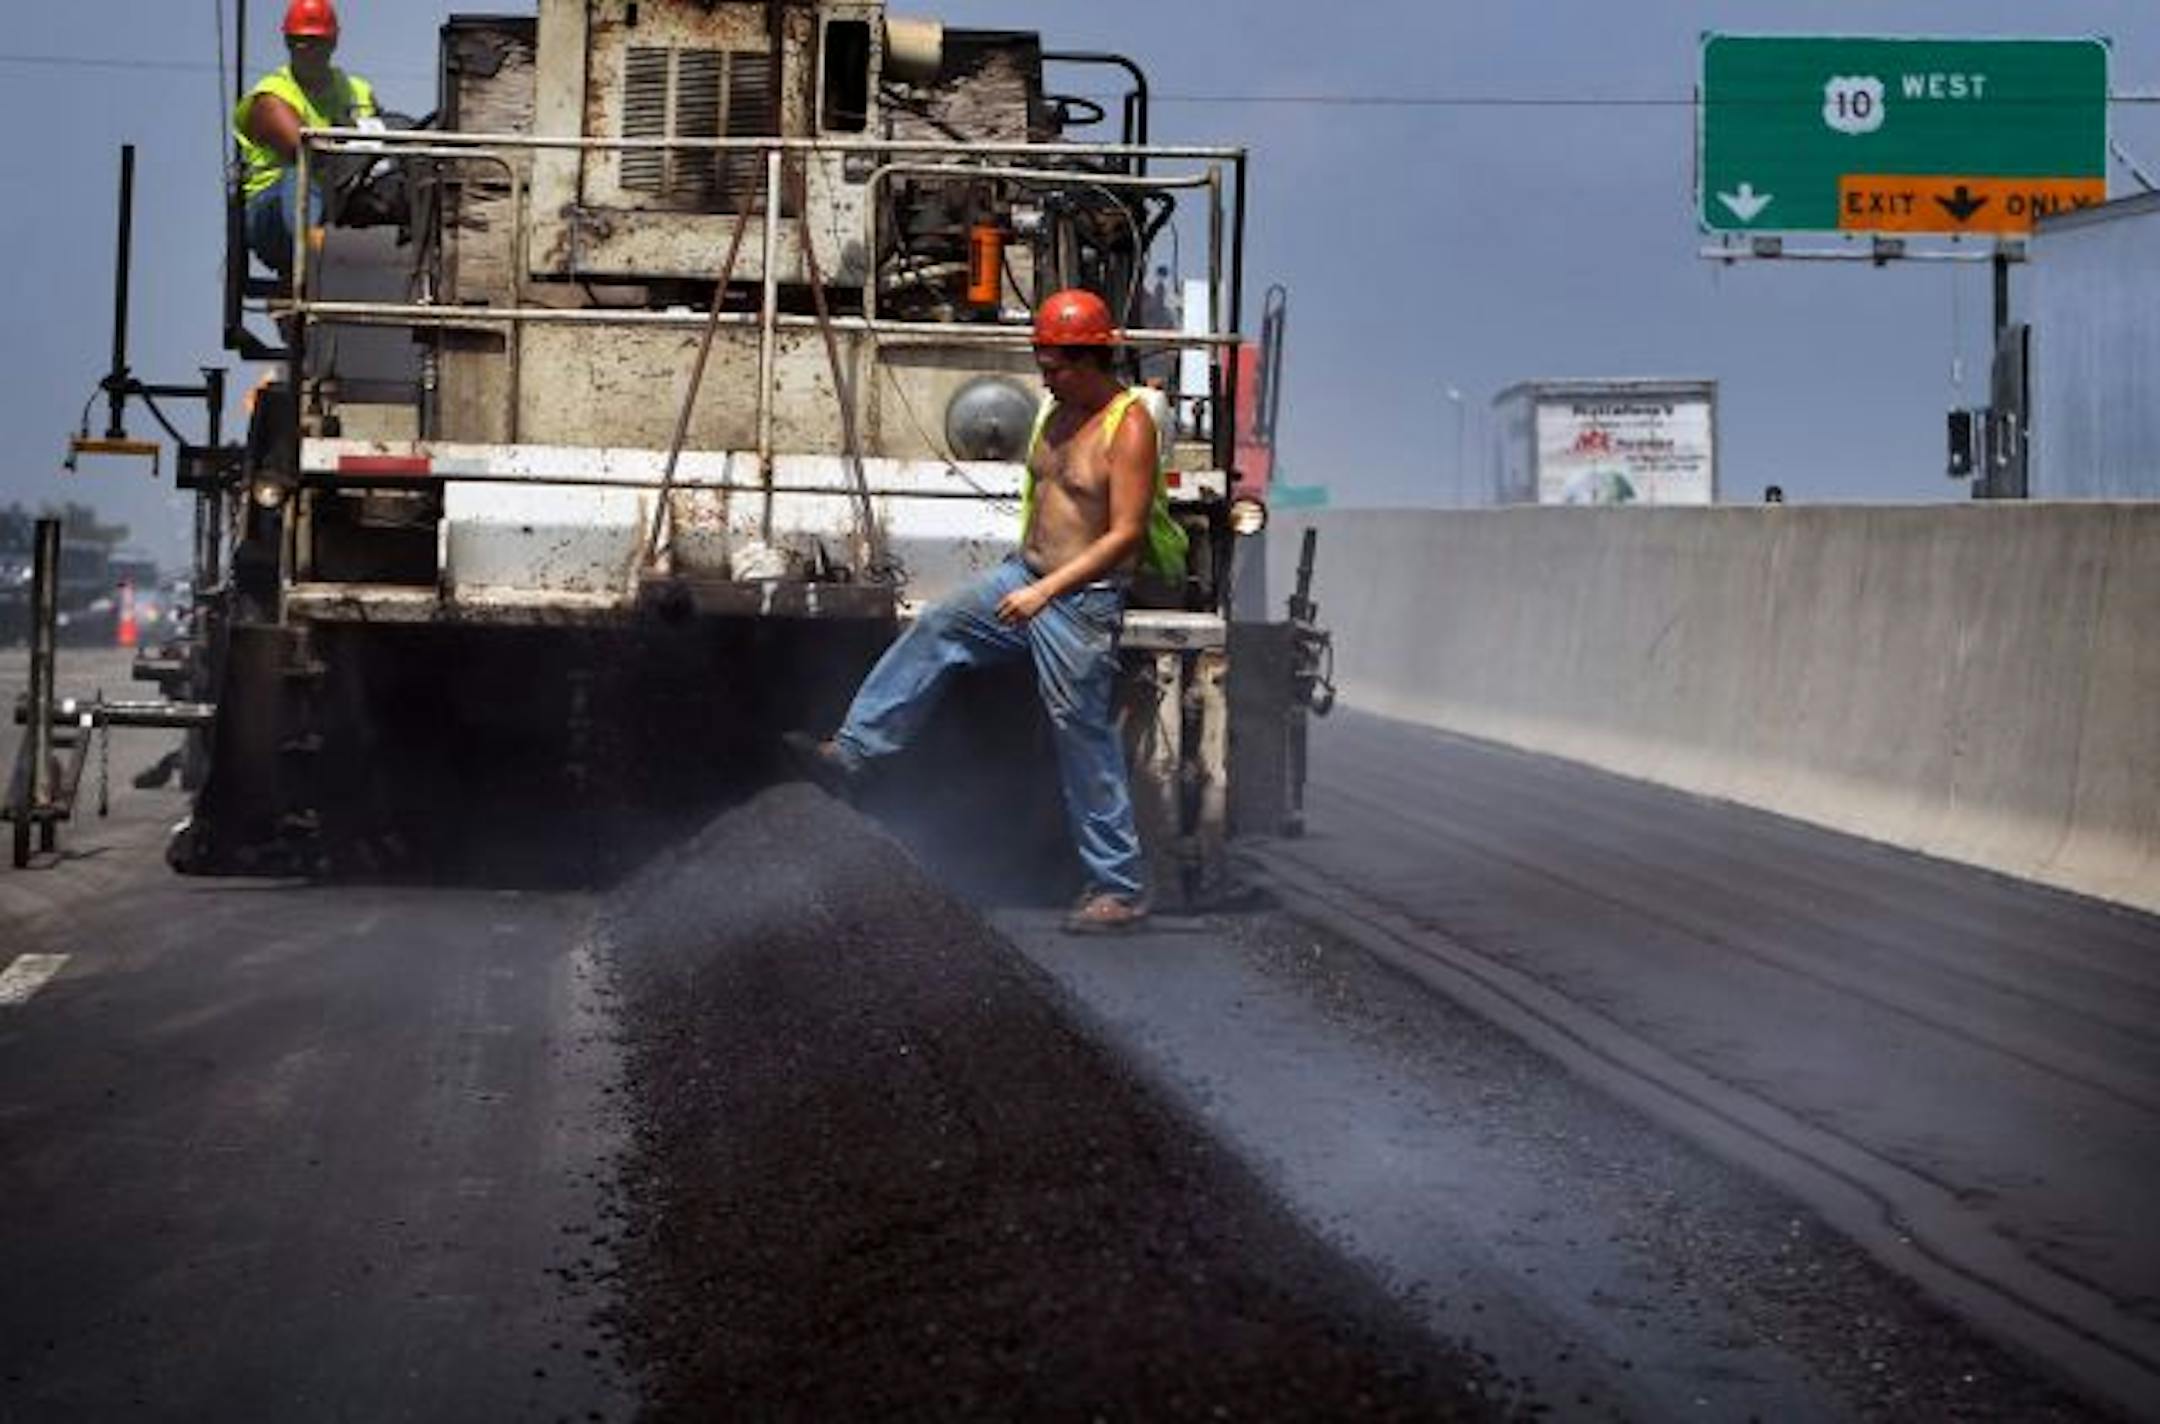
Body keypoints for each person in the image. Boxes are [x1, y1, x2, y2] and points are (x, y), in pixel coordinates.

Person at [787, 288, 1186, 934]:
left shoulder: (1127, 424)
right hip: (1023, 576)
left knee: (1079, 734)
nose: (1043, 377)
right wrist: (1028, 580)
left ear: (1090, 360)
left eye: (1054, 365)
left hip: (1078, 601)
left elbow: (1124, 536)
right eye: (1041, 362)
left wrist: (1045, 593)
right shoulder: (1052, 415)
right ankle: (853, 752)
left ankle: (1119, 887)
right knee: (940, 626)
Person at [233, 0, 378, 279]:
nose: (306, 50)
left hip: (339, 200)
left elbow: (380, 146)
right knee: (299, 177)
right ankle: (318, 261)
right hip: (272, 213)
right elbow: (303, 149)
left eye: (315, 42)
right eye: (298, 41)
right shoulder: (271, 96)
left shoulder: (359, 92)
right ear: (287, 41)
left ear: (333, 42)